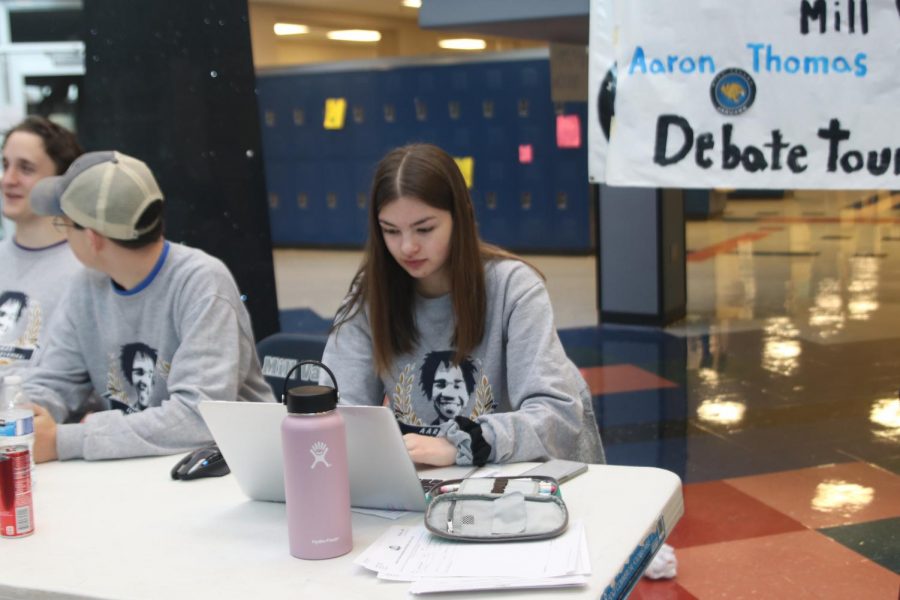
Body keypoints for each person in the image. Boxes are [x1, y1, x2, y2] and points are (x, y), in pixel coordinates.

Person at [321, 143, 605, 467]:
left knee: (461, 523)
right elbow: (341, 414)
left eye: (425, 229)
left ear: (461, 217)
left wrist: (463, 445)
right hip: (432, 492)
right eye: (390, 231)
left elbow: (557, 415)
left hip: (521, 484)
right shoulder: (370, 297)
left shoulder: (514, 288)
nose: (407, 246)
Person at [23, 150, 274, 462]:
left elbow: (198, 417)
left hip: (227, 473)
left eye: (63, 223)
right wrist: (24, 418)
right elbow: (52, 383)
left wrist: (65, 441)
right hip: (136, 474)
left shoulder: (202, 283)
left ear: (93, 238)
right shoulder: (86, 287)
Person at [0, 116, 84, 373]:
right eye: (5, 165)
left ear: (60, 182)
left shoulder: (85, 269)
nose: (8, 180)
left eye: (26, 169)